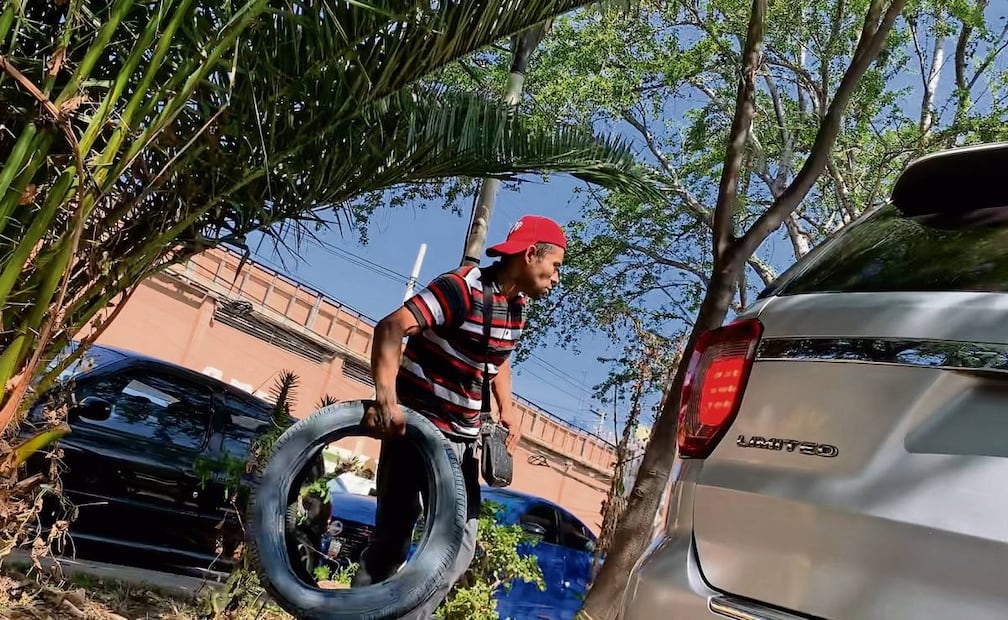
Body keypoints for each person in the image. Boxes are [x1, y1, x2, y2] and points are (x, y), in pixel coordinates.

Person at [351, 215, 566, 617]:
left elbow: (498, 359)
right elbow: (391, 328)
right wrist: (386, 401)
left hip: (462, 442)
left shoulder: (516, 308)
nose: (556, 278)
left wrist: (509, 409)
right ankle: (355, 612)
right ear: (531, 254)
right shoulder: (460, 290)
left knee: (458, 550)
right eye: (555, 266)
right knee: (391, 543)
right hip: (415, 432)